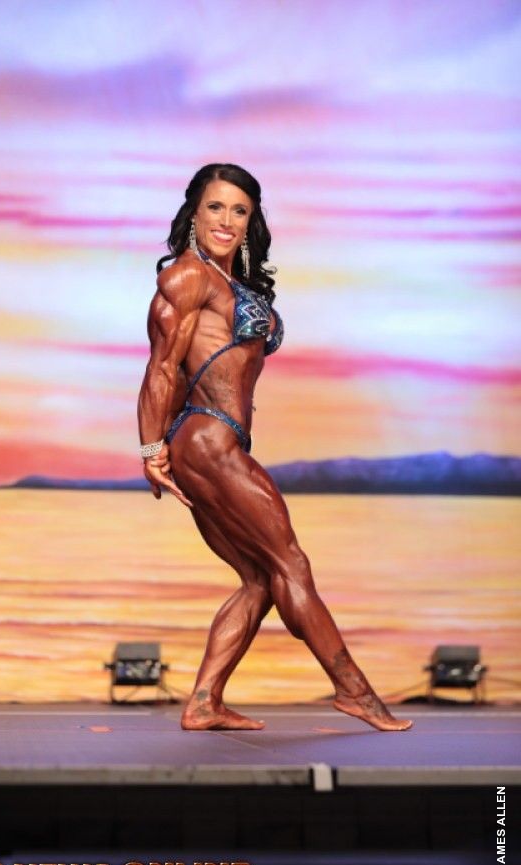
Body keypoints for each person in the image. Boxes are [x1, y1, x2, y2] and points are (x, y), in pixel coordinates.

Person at [137, 163, 413, 733]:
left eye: (239, 211)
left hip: (212, 440)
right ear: (194, 213)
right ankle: (356, 692)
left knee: (262, 578)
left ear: (251, 221)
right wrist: (151, 449)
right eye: (215, 207)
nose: (227, 220)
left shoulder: (228, 281)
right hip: (208, 440)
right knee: (292, 564)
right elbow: (162, 368)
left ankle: (204, 702)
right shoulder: (187, 278)